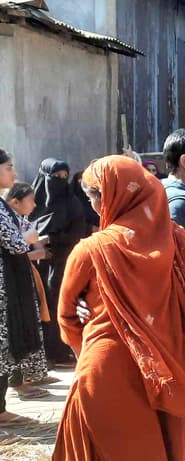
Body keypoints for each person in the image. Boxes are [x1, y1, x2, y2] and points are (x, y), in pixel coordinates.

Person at [53, 155, 185, 461]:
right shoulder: (179, 242)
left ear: (109, 198)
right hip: (170, 370)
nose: (92, 205)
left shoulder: (91, 250)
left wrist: (85, 344)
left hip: (106, 370)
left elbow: (66, 317)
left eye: (92, 197)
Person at [0, 152, 51, 434]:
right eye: (9, 167)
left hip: (10, 285)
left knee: (7, 348)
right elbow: (16, 243)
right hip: (4, 287)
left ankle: (3, 409)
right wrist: (30, 240)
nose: (14, 172)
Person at [29, 158, 87, 368]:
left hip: (62, 264)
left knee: (57, 303)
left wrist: (50, 240)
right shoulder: (33, 202)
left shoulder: (72, 204)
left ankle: (60, 350)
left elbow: (78, 233)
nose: (61, 181)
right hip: (36, 266)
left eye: (65, 177)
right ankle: (41, 355)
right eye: (55, 177)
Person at [5, 182, 57, 400]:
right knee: (14, 329)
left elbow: (38, 250)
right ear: (15, 201)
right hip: (11, 282)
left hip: (25, 278)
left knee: (28, 327)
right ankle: (18, 384)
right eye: (31, 200)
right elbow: (24, 251)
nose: (35, 205)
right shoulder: (6, 221)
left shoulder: (21, 222)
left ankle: (26, 380)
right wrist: (29, 245)